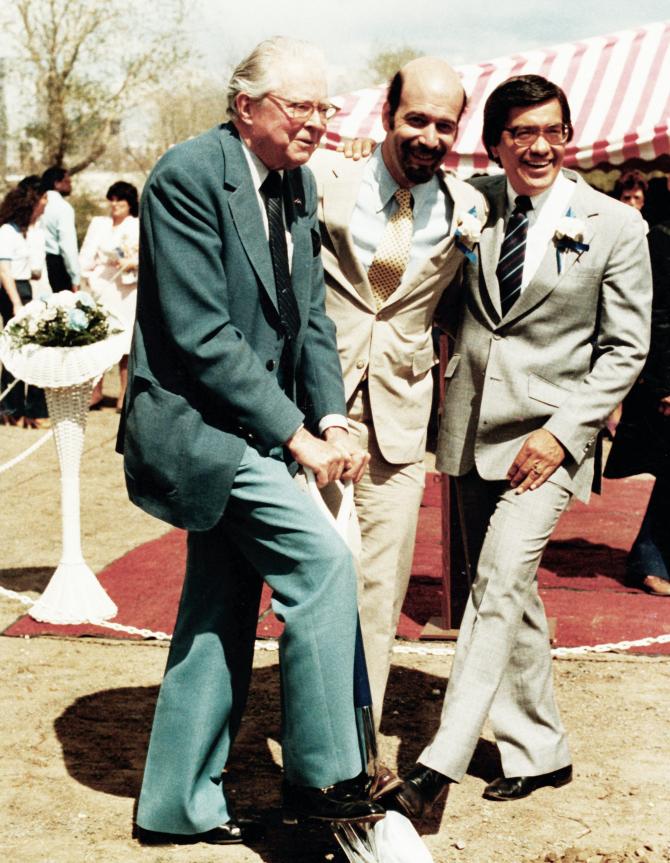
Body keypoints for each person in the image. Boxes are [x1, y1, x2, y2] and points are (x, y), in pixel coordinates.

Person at [117, 36, 384, 846]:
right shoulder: (187, 175)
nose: (316, 122)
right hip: (199, 432)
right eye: (298, 106)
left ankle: (175, 804)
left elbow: (310, 323)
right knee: (324, 567)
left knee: (219, 610)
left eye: (324, 107)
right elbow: (201, 338)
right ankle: (326, 781)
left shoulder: (295, 184)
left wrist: (333, 412)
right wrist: (298, 434)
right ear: (246, 107)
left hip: (256, 431)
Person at [388, 74, 651, 817]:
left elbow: (624, 350)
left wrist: (564, 432)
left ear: (569, 138)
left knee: (499, 584)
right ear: (496, 142)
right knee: (507, 593)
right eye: (522, 133)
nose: (540, 146)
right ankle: (542, 750)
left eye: (554, 132)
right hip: (468, 432)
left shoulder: (614, 226)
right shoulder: (471, 206)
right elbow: (415, 273)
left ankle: (437, 766)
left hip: (549, 442)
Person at [309, 57, 486, 729]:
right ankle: (308, 737)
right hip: (318, 408)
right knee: (316, 581)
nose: (429, 136)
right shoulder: (327, 176)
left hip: (403, 420)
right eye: (416, 119)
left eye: (444, 125)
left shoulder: (467, 204)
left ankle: (354, 749)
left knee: (379, 591)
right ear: (387, 115)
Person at [604, 219, 670, 596]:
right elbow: (657, 314)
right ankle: (649, 557)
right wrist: (664, 384)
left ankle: (651, 555)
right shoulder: (661, 237)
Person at [80, 181, 139, 410]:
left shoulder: (137, 225)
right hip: (103, 285)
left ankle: (124, 394)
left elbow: (146, 255)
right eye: (112, 201)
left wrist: (130, 263)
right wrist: (89, 277)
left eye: (120, 202)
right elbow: (86, 255)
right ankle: (95, 392)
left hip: (127, 290)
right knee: (100, 339)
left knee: (125, 342)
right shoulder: (99, 224)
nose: (114, 206)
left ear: (129, 204)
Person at [0, 182, 49, 428]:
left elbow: (35, 271)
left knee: (24, 348)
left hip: (28, 287)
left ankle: (15, 408)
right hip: (15, 291)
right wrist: (17, 303)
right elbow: (5, 270)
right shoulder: (7, 232)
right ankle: (22, 409)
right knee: (25, 348)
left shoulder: (28, 232)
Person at [41, 166, 80, 292]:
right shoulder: (63, 207)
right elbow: (68, 245)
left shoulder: (37, 204)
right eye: (67, 182)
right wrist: (75, 277)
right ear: (57, 184)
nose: (70, 185)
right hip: (57, 265)